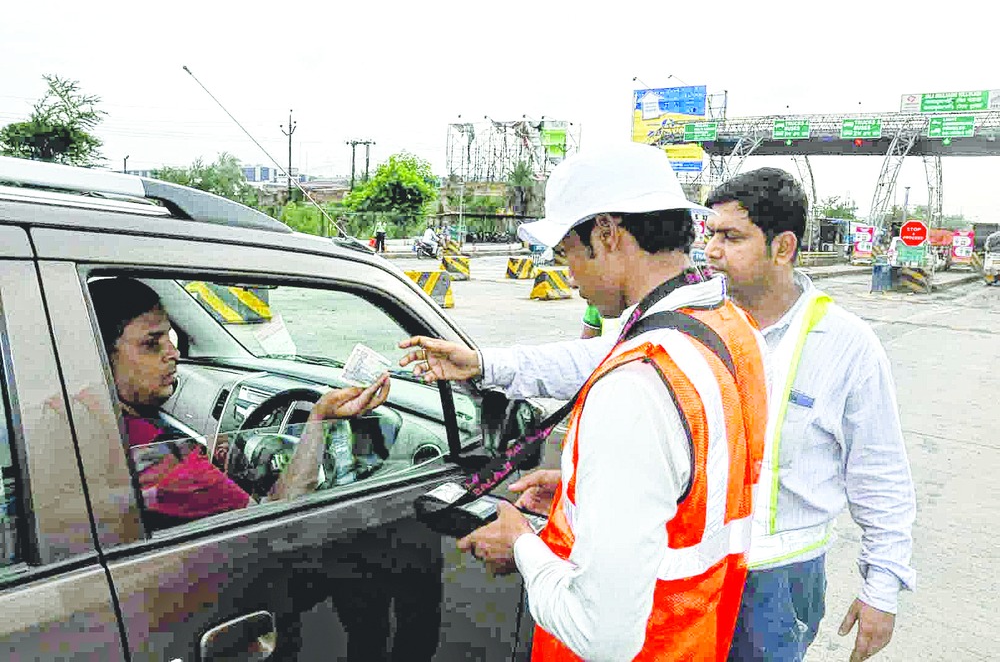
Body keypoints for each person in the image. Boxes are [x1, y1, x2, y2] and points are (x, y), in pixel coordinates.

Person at [399, 142, 769, 660]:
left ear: (607, 233)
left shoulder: (636, 385)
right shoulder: (728, 330)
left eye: (566, 251)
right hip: (694, 639)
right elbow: (681, 487)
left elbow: (602, 635)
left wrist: (522, 547)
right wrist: (585, 495)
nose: (567, 273)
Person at [703, 168, 916, 662]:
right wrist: (496, 364)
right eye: (711, 234)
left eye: (731, 237)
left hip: (779, 584)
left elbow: (879, 473)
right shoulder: (696, 318)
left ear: (783, 247)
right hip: (690, 568)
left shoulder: (845, 344)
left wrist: (881, 588)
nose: (712, 250)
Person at [88, 277, 390, 526]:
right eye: (152, 344)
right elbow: (275, 516)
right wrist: (320, 417)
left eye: (170, 338)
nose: (174, 354)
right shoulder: (167, 465)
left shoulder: (82, 417)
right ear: (101, 354)